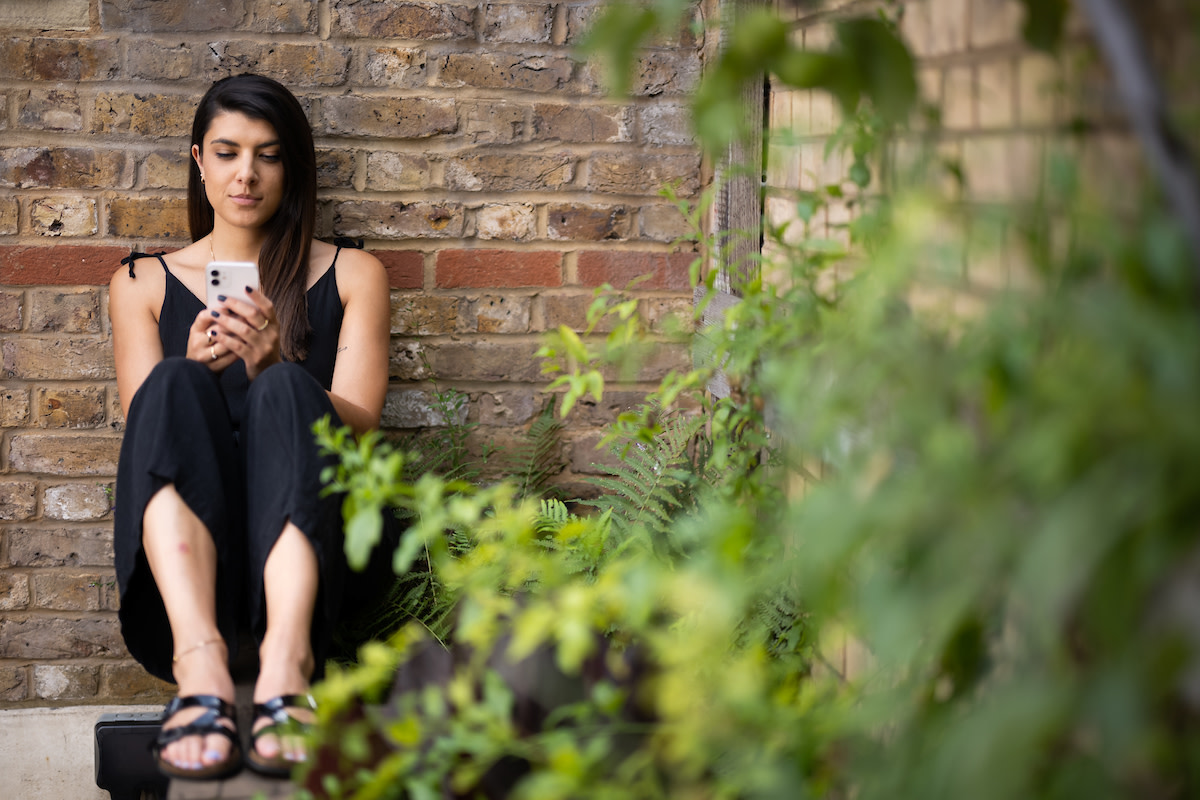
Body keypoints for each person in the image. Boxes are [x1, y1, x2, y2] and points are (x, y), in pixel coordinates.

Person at [109, 73, 391, 781]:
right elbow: (146, 434)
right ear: (199, 160)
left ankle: (287, 668)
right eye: (228, 153)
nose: (246, 175)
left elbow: (360, 428)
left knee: (289, 388)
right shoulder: (142, 282)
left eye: (268, 155)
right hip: (191, 566)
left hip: (317, 557)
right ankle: (198, 667)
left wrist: (269, 364)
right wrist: (196, 369)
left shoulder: (353, 273)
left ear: (290, 167)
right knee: (171, 383)